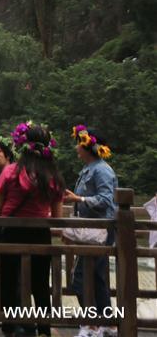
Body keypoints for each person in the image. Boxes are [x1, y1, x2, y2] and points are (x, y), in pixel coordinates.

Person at [0, 122, 64, 337]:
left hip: (11, 232)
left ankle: (9, 328)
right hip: (40, 234)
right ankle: (44, 330)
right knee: (40, 284)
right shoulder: (54, 177)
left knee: (9, 280)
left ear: (22, 145)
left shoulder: (10, 171)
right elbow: (57, 218)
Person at [63, 125, 117, 337]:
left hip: (100, 231)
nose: (76, 147)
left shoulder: (101, 170)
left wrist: (79, 198)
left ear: (88, 147)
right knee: (97, 278)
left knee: (79, 278)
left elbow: (106, 200)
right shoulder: (90, 169)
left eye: (79, 143)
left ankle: (91, 324)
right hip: (94, 230)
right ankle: (108, 324)